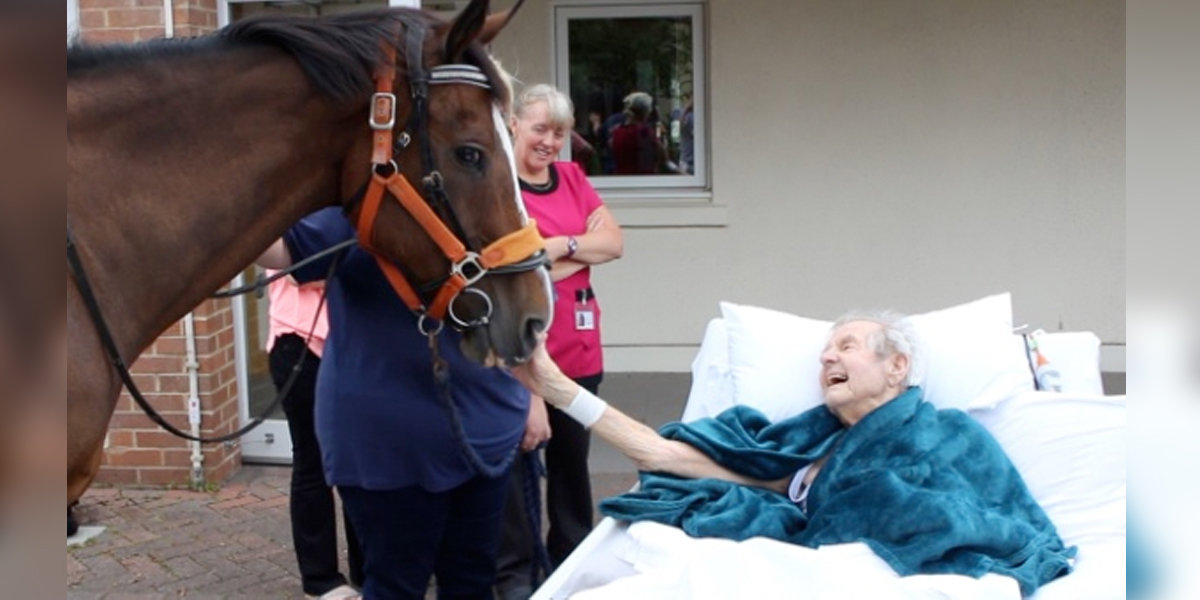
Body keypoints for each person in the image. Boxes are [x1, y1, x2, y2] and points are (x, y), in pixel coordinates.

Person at [511, 311, 1076, 595]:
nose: (827, 357)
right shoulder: (798, 449)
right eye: (824, 351)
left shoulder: (947, 429)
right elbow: (664, 457)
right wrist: (559, 388)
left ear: (897, 367)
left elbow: (995, 514)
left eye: (847, 346)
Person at [257, 212, 532, 600]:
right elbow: (278, 251)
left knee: (472, 577)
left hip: (482, 433)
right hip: (389, 449)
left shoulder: (480, 193)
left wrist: (532, 394)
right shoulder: (358, 211)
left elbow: (527, 299)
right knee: (397, 583)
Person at [494, 83, 624, 600]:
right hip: (521, 353)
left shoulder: (571, 177)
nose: (550, 141)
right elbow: (509, 268)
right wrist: (577, 252)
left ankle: (570, 567)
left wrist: (554, 247)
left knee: (572, 468)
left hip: (580, 348)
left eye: (560, 132)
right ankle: (518, 574)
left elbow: (613, 243)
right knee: (516, 469)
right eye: (540, 129)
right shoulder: (501, 189)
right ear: (514, 126)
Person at [265, 273, 363, 600]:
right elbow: (300, 272)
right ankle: (320, 580)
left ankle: (368, 565)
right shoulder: (291, 221)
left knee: (361, 460)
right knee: (313, 462)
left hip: (354, 343)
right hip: (300, 342)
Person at [609, 92, 667, 175]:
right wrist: (662, 137)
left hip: (621, 179)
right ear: (645, 112)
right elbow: (663, 157)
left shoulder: (616, 131)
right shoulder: (644, 131)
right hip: (642, 180)